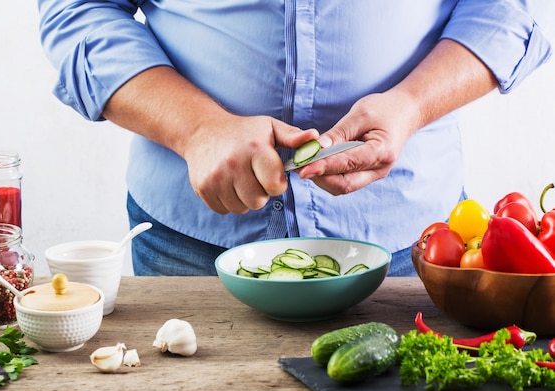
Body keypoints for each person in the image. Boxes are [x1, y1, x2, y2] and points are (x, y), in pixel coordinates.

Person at [37, 1, 552, 276]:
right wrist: (196, 128)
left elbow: (508, 7)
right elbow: (79, 8)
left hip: (413, 243)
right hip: (191, 242)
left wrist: (414, 104)